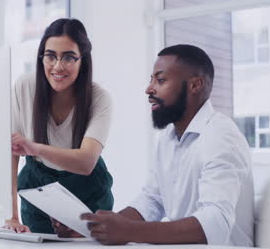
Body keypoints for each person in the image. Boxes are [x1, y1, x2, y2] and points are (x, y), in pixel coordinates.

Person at [79, 44, 254, 246]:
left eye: (161, 80)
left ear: (195, 85)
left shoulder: (220, 136)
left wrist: (128, 231)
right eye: (151, 79)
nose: (149, 88)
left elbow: (216, 222)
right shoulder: (169, 137)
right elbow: (152, 201)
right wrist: (94, 227)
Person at [4, 18, 114, 234]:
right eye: (51, 56)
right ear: (41, 57)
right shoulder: (26, 86)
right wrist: (12, 215)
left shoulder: (99, 98)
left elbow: (86, 162)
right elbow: (11, 155)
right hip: (38, 185)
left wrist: (34, 148)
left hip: (87, 187)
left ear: (83, 60)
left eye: (69, 57)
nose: (58, 66)